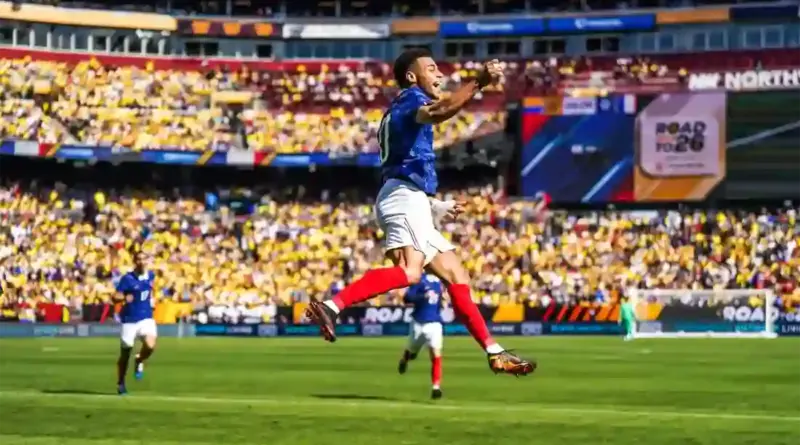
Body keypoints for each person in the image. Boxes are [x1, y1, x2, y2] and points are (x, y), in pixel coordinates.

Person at [306, 49, 535, 376]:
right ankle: (331, 306)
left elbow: (404, 166)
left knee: (457, 275)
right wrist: (479, 82)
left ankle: (494, 352)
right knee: (410, 272)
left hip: (410, 199)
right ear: (413, 77)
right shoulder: (411, 100)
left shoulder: (401, 108)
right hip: (402, 198)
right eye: (431, 69)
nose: (439, 74)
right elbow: (442, 111)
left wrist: (434, 205)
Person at [114, 250, 158, 394]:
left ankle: (139, 360)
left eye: (144, 259)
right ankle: (121, 382)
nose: (141, 262)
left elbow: (150, 290)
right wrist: (123, 297)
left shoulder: (151, 275)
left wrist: (152, 300)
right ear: (135, 261)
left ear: (147, 261)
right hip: (130, 320)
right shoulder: (127, 279)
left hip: (146, 317)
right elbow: (115, 296)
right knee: (125, 354)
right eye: (138, 259)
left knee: (150, 345)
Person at [398, 273, 445, 399]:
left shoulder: (438, 281)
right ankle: (404, 360)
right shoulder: (418, 279)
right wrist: (422, 297)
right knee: (412, 352)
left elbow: (439, 301)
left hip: (434, 322)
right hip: (418, 322)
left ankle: (436, 387)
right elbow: (407, 298)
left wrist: (441, 303)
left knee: (436, 354)